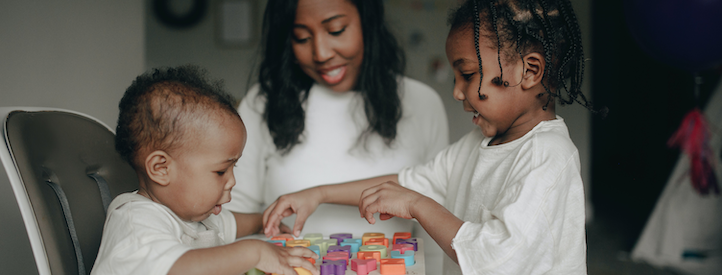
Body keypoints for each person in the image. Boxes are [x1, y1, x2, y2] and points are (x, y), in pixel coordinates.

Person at [262, 0, 604, 273]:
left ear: (529, 71)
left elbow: (498, 258)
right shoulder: (477, 145)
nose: (457, 92)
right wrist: (319, 193)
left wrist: (417, 206)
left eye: (468, 75)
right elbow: (407, 183)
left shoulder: (548, 156)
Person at [226, 0, 449, 240]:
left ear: (367, 23)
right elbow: (230, 219)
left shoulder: (422, 102)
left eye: (336, 30)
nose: (321, 53)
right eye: (301, 37)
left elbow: (437, 220)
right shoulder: (263, 103)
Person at [91, 65, 318, 275]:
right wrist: (255, 252)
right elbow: (177, 268)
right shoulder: (135, 221)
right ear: (161, 168)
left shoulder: (196, 215)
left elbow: (234, 224)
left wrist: (265, 221)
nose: (232, 182)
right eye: (221, 171)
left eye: (233, 168)